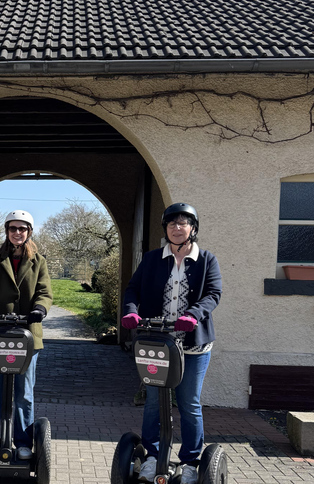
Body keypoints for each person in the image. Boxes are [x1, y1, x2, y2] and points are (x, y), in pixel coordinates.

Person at [121, 203, 222, 484]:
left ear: (193, 228)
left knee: (188, 403)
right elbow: (133, 288)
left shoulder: (206, 259)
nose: (177, 228)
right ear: (165, 229)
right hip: (157, 342)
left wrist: (193, 315)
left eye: (183, 223)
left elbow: (213, 294)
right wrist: (131, 310)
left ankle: (190, 462)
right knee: (154, 402)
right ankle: (152, 458)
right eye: (172, 223)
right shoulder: (153, 259)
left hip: (193, 345)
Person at [0, 210, 53, 461]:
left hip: (28, 335)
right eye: (13, 229)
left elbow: (45, 291)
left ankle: (22, 442)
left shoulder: (38, 260)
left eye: (22, 229)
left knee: (24, 392)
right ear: (7, 231)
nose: (17, 233)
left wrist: (39, 309)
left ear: (29, 232)